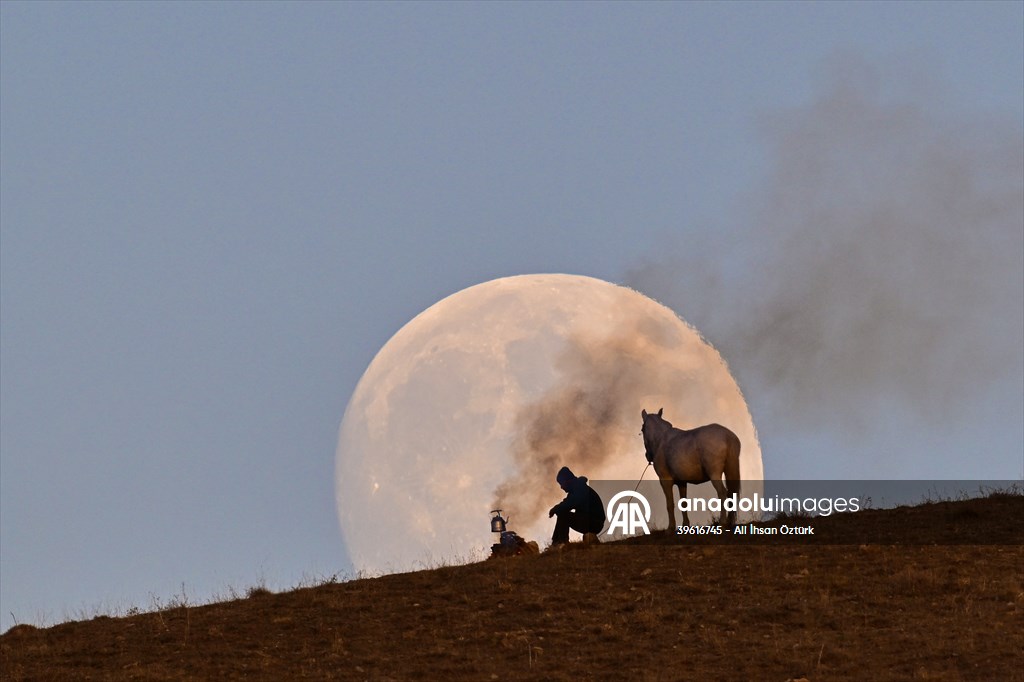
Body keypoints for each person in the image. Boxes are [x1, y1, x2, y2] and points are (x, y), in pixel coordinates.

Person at [548, 466, 606, 545]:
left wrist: (555, 509)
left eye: (562, 484)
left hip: (595, 522)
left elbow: (569, 504)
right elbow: (567, 504)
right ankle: (556, 543)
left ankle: (561, 543)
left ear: (568, 480)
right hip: (592, 521)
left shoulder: (580, 488)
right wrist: (557, 509)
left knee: (563, 515)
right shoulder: (577, 488)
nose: (561, 487)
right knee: (562, 513)